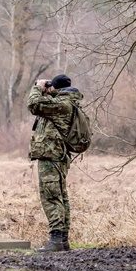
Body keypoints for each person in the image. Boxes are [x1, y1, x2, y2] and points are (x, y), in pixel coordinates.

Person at [27, 74, 83, 252]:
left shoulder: (61, 105)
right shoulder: (66, 103)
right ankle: (63, 240)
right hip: (57, 155)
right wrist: (48, 89)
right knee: (60, 195)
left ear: (56, 89)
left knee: (51, 196)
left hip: (52, 156)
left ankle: (56, 239)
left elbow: (34, 104)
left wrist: (37, 87)